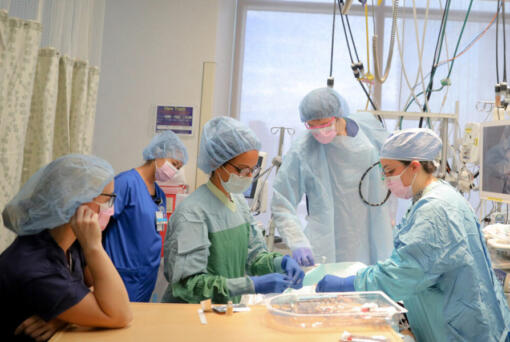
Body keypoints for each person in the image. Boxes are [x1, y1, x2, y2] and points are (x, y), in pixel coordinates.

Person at [316, 128, 510, 342]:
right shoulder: (435, 197)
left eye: (390, 171)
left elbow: (403, 273)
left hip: (461, 332)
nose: (385, 179)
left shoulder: (434, 210)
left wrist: (351, 284)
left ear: (414, 166)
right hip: (463, 323)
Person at [161, 116, 304, 304]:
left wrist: (281, 262)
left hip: (223, 312)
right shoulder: (192, 214)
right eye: (243, 170)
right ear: (218, 163)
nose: (249, 177)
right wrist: (251, 284)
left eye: (253, 169)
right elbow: (190, 285)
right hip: (192, 318)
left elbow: (254, 257)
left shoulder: (238, 203)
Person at [0, 154, 132, 341]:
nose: (111, 208)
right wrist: (94, 246)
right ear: (76, 201)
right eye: (108, 199)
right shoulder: (36, 265)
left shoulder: (70, 243)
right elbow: (120, 314)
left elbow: (102, 291)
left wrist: (62, 318)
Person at [271, 87, 393, 266]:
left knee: (372, 284)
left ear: (338, 115)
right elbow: (282, 203)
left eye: (323, 123)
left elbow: (395, 167)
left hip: (374, 230)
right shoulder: (303, 150)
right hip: (327, 242)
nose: (319, 131)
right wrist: (297, 241)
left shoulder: (368, 129)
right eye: (312, 126)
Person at [103, 130, 188, 302]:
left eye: (178, 168)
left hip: (147, 275)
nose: (174, 171)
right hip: (122, 273)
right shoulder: (124, 183)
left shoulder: (160, 195)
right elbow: (99, 224)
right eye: (173, 164)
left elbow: (158, 228)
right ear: (157, 153)